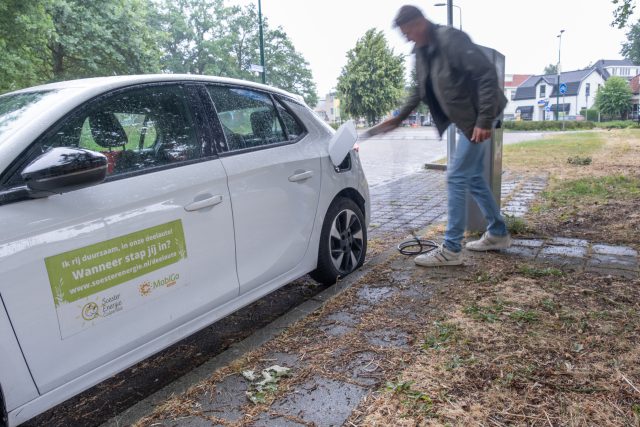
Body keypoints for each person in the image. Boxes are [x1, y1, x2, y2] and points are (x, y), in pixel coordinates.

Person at [373, 5, 511, 267]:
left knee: (456, 176)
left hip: (478, 118)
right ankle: (498, 232)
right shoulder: (422, 52)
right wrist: (398, 119)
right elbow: (419, 91)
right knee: (472, 178)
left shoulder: (451, 40)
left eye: (409, 31)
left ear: (420, 22)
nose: (408, 38)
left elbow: (486, 74)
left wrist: (483, 120)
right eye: (403, 35)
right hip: (466, 121)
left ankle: (451, 249)